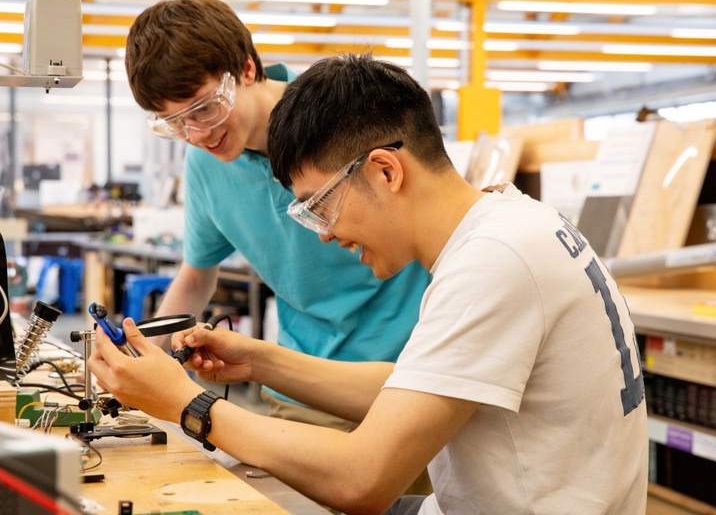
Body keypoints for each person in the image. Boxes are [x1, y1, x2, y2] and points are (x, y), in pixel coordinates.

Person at [89, 52, 649, 514]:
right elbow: (411, 387)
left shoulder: (494, 262)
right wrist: (259, 361)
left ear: (386, 170)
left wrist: (187, 402)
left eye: (320, 206)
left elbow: (362, 480)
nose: (324, 234)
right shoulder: (509, 224)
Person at [124, 0, 431, 430]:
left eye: (204, 108)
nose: (196, 135)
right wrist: (140, 360)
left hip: (407, 371)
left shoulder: (345, 114)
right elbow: (196, 274)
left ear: (247, 69)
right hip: (299, 381)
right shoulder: (205, 166)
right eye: (175, 122)